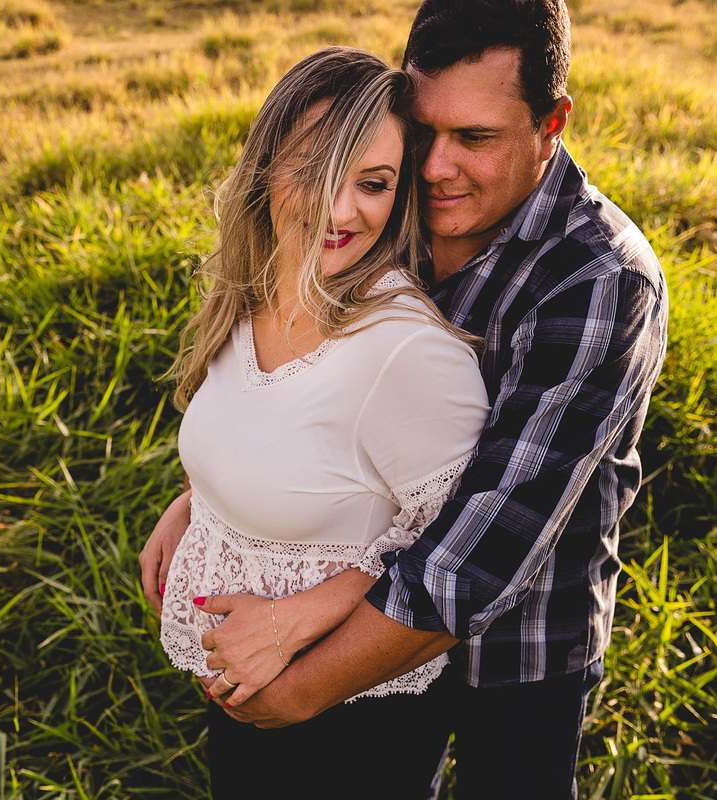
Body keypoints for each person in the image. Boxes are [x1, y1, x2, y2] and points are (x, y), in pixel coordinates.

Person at [141, 1, 670, 797]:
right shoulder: (384, 200)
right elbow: (299, 386)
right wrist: (207, 500)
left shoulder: (601, 279)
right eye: (424, 132)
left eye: (477, 138)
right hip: (361, 624)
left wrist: (300, 688)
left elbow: (482, 552)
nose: (436, 167)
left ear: (552, 121)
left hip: (522, 636)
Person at [148, 46, 490, 798]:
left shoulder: (405, 351)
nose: (341, 212)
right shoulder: (256, 287)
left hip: (353, 715)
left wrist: (300, 617)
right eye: (314, 170)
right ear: (266, 167)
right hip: (242, 682)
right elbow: (273, 436)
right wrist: (199, 503)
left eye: (373, 184)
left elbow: (460, 552)